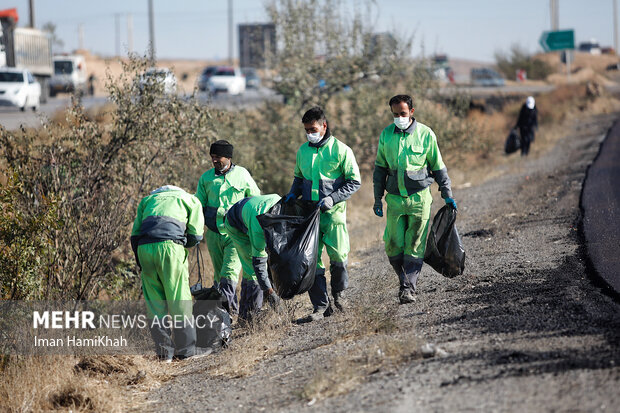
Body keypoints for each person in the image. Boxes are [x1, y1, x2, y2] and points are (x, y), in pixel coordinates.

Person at [373, 94, 456, 304]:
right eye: (395, 114)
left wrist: (447, 194)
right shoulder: (386, 135)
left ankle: (408, 288)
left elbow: (438, 167)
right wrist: (377, 198)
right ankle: (402, 279)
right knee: (393, 244)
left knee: (415, 244)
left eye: (402, 113)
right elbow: (380, 169)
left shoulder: (426, 134)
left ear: (411, 111)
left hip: (419, 200)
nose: (399, 117)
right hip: (394, 201)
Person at [284, 106, 361, 321]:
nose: (310, 133)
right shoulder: (303, 151)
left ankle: (340, 296)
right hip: (309, 217)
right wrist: (293, 194)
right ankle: (320, 306)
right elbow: (299, 178)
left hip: (333, 215)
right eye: (307, 129)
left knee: (338, 257)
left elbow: (354, 181)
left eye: (313, 128)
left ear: (324, 126)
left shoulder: (341, 150)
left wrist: (333, 198)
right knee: (311, 260)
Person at [130, 185, 205, 361]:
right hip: (170, 248)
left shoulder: (147, 200)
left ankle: (165, 354)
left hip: (144, 249)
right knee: (179, 297)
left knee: (154, 302)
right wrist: (182, 244)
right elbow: (196, 235)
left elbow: (134, 236)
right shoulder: (189, 199)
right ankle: (186, 351)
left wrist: (141, 260)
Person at [195, 140, 260, 316]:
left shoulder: (242, 175)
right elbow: (197, 204)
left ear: (229, 157)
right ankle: (224, 317)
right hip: (214, 236)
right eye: (212, 157)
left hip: (236, 236)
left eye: (218, 157)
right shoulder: (206, 178)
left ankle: (229, 315)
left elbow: (255, 200)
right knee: (218, 277)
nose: (215, 161)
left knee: (229, 274)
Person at [224, 194, 282, 320]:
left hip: (248, 211)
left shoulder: (283, 206)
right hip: (235, 225)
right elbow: (259, 264)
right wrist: (270, 292)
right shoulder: (258, 229)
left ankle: (246, 313)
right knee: (251, 268)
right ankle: (250, 316)